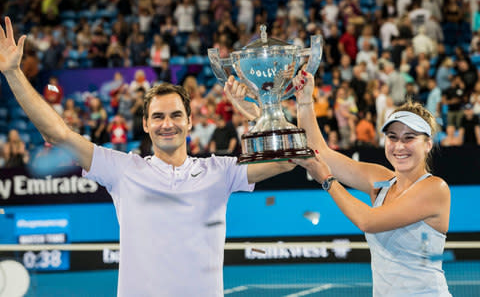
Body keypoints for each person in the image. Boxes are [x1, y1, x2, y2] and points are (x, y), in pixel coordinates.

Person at [0, 17, 294, 296]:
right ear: (145, 124)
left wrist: (256, 112)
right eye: (158, 117)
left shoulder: (221, 170)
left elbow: (287, 159)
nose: (167, 124)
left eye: (176, 115)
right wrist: (13, 73)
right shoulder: (122, 169)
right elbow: (58, 135)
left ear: (190, 121)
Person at [290, 71, 452, 296]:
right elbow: (320, 153)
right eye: (393, 137)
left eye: (409, 138)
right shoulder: (381, 181)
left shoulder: (435, 188)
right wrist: (305, 102)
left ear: (427, 144)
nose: (399, 146)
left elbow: (368, 221)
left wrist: (328, 182)